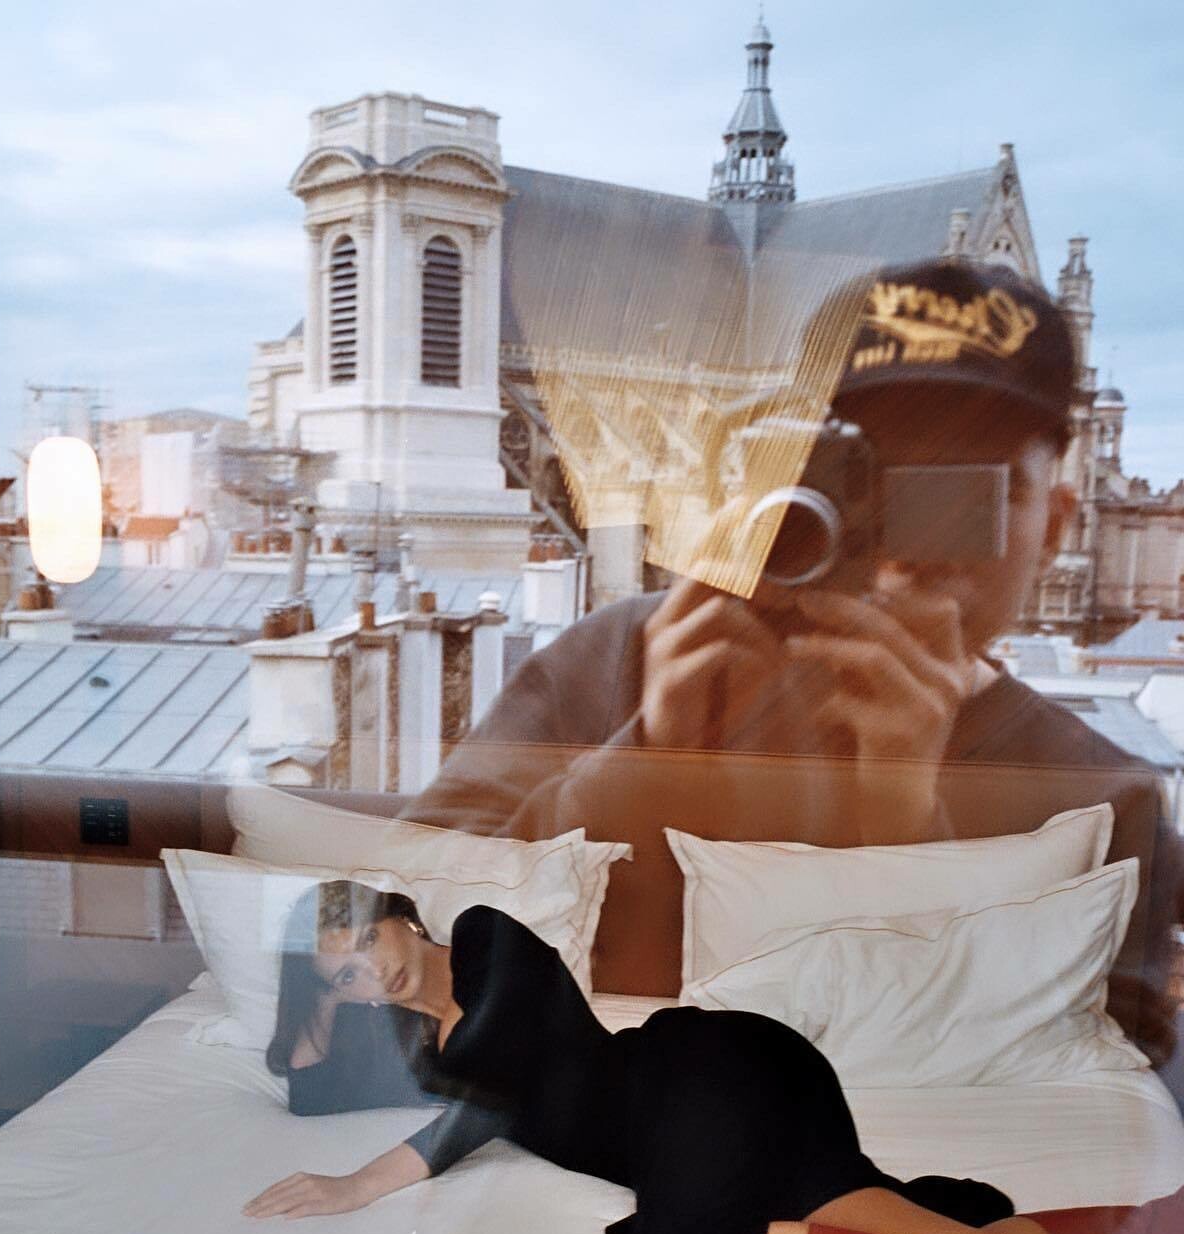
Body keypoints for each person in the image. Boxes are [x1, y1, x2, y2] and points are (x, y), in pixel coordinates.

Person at [404, 257, 1184, 1067]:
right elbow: (399, 966)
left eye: (966, 494)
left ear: (1054, 525)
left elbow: (1091, 1108)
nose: (905, 543)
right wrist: (643, 774)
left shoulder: (1107, 804)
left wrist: (911, 841)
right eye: (867, 478)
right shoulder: (608, 661)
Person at [243, 881, 1184, 1234]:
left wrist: (360, 1185)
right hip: (709, 1140)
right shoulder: (418, 1050)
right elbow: (306, 1090)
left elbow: (491, 1097)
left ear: (404, 917)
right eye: (346, 974)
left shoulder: (491, 942)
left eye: (368, 940)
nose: (371, 970)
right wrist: (312, 996)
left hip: (701, 1074)